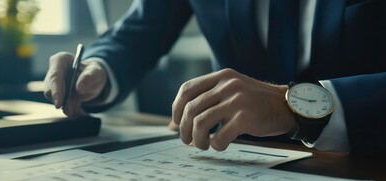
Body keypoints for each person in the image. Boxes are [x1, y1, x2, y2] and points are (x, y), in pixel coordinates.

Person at [44, 0, 386, 157]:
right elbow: (139, 32)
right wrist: (98, 69)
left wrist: (293, 108)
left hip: (365, 163)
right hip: (235, 159)